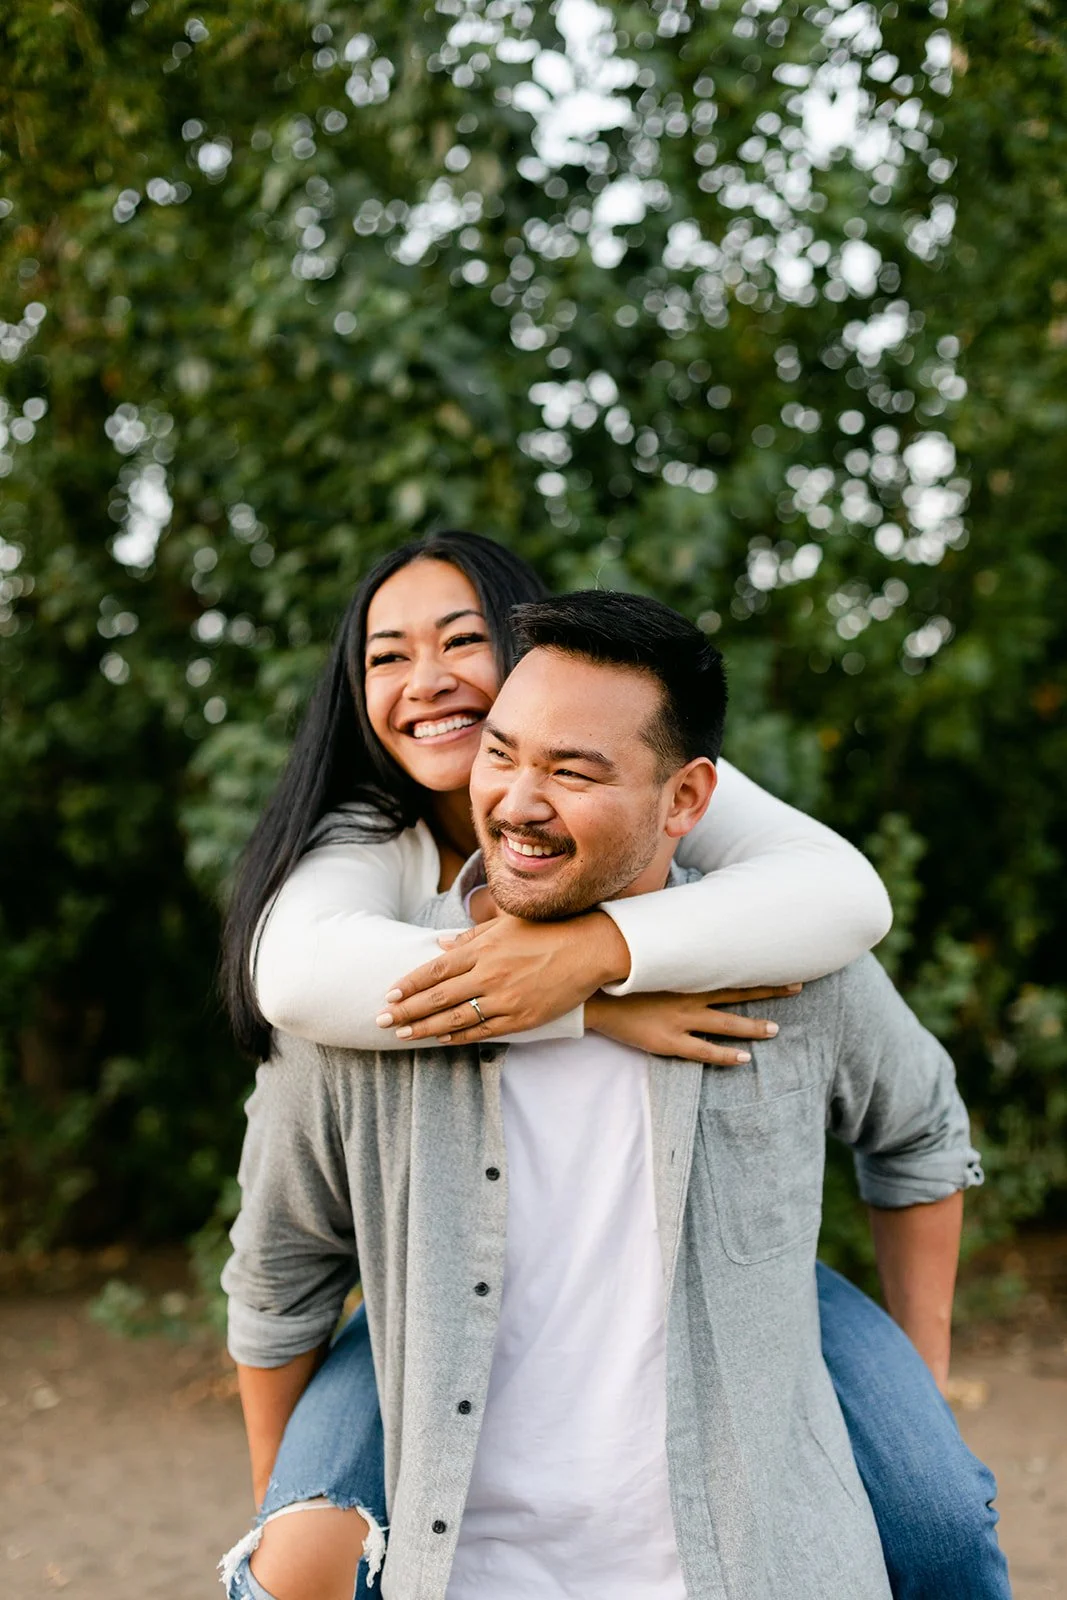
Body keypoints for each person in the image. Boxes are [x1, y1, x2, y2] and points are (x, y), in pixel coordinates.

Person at [218, 534, 1008, 1600]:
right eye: (386, 655)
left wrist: (603, 950)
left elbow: (851, 915)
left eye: (460, 641)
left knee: (941, 1513)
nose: (427, 680)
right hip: (432, 1346)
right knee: (291, 1558)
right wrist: (581, 1005)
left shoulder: (758, 922)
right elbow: (280, 1249)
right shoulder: (355, 893)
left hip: (741, 1377)